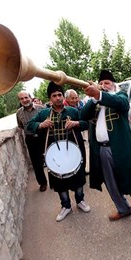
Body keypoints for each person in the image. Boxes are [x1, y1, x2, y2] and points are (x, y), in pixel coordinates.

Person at [81, 70, 131, 231]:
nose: (104, 85)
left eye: (107, 83)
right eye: (101, 83)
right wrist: (94, 99)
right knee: (111, 184)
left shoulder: (120, 96)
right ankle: (123, 209)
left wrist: (100, 94)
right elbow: (83, 115)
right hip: (102, 150)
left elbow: (123, 104)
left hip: (121, 148)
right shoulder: (95, 103)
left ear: (113, 85)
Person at [27, 82, 90, 222]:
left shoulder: (72, 111)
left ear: (63, 96)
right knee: (59, 181)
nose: (58, 98)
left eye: (60, 95)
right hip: (54, 154)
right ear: (50, 99)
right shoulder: (44, 113)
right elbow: (29, 126)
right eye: (54, 96)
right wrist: (41, 125)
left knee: (78, 179)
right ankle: (66, 206)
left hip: (74, 151)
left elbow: (86, 123)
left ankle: (80, 201)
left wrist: (76, 123)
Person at [16, 91, 48, 192]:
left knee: (51, 157)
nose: (24, 100)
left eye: (26, 97)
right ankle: (42, 183)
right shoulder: (19, 113)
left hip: (43, 136)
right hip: (30, 139)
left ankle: (57, 180)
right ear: (19, 101)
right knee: (36, 163)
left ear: (30, 97)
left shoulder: (41, 108)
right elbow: (21, 126)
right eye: (22, 99)